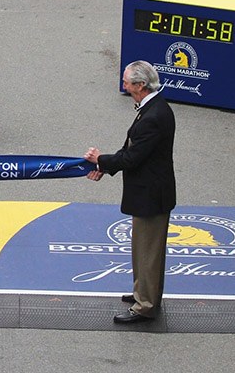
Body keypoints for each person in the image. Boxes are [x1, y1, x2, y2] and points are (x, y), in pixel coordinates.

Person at [83, 61, 176, 324]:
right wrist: (104, 165)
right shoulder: (153, 109)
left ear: (140, 85)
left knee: (148, 251)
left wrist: (102, 160)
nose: (123, 86)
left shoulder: (153, 117)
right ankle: (143, 293)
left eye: (126, 82)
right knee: (143, 248)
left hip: (151, 194)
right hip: (149, 191)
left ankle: (145, 305)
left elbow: (133, 157)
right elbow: (132, 151)